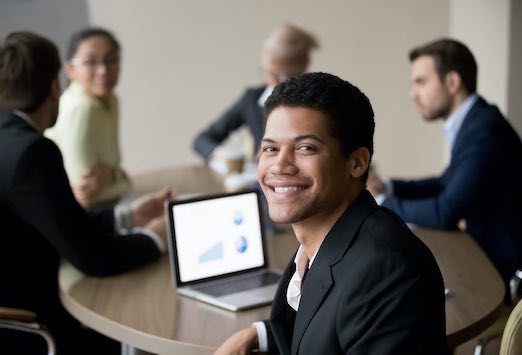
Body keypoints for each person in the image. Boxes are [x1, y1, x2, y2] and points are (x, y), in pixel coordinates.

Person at [215, 73, 446, 354]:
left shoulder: (386, 270)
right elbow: (316, 324)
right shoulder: (321, 239)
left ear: (357, 163)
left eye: (305, 148)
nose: (279, 166)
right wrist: (256, 334)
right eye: (271, 148)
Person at [0, 31, 173, 354]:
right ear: (55, 86)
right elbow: (94, 258)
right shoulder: (32, 152)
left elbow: (65, 220)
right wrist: (157, 238)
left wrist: (128, 215)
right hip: (29, 323)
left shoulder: (9, 141)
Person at [367, 38, 522, 291]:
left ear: (452, 82)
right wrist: (389, 187)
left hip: (498, 278)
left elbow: (446, 212)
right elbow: (445, 183)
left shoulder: (483, 131)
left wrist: (381, 203)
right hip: (483, 262)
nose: (413, 94)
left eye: (421, 82)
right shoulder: (476, 121)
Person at [193, 23, 319, 165]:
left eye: (280, 74)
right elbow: (202, 140)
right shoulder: (251, 100)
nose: (272, 80)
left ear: (302, 69)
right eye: (267, 72)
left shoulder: (319, 102)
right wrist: (223, 155)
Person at [45, 27, 130, 208]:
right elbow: (86, 193)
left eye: (111, 60)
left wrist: (113, 175)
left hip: (109, 205)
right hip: (82, 214)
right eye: (91, 62)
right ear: (70, 69)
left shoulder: (111, 100)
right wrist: (121, 178)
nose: (103, 71)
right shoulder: (81, 107)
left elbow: (115, 166)